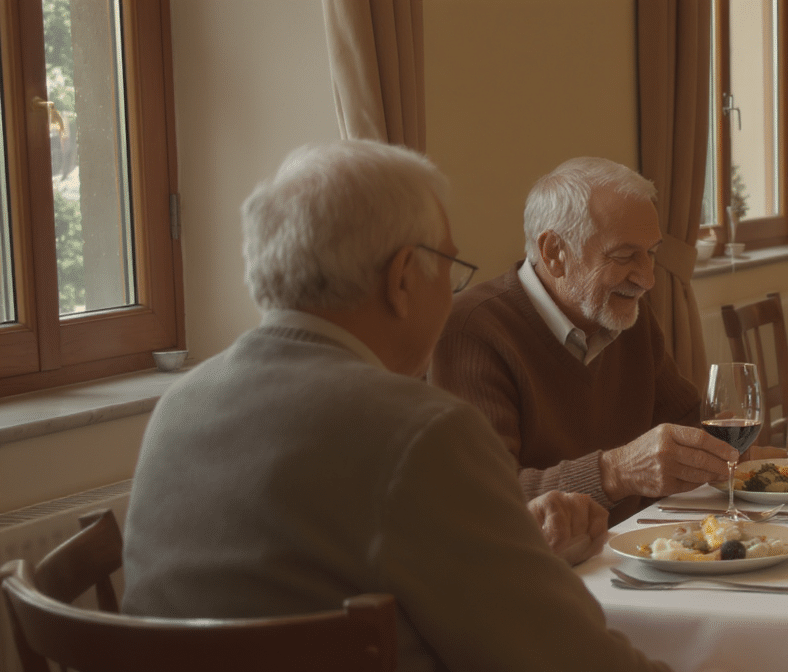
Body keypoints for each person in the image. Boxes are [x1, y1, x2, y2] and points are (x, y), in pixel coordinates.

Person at [122, 141, 668, 671]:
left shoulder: (178, 405)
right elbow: (562, 658)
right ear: (403, 277)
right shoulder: (418, 429)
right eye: (450, 267)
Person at [430, 157, 735, 524]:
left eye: (651, 254)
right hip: (541, 569)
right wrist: (615, 472)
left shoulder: (628, 317)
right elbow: (482, 496)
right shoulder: (470, 331)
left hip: (632, 549)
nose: (647, 279)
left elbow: (687, 426)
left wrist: (733, 444)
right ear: (555, 253)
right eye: (625, 256)